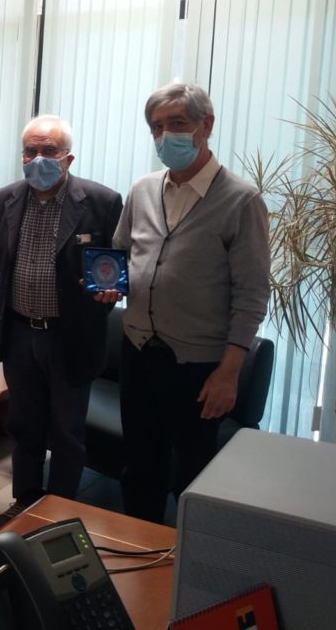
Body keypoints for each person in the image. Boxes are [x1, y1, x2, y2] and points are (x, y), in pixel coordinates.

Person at [98, 82, 270, 523]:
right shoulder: (142, 190)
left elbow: (251, 294)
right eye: (156, 127)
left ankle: (183, 557)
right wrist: (111, 284)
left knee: (192, 475)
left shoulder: (241, 200)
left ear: (205, 126)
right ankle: (139, 546)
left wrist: (228, 374)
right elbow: (121, 253)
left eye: (176, 123)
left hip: (198, 367)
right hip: (138, 353)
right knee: (139, 467)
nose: (165, 135)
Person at [0, 115, 123, 530]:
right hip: (19, 333)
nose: (38, 159)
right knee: (23, 426)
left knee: (67, 432)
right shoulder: (4, 199)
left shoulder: (102, 202)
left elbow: (114, 269)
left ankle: (59, 511)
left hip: (71, 337)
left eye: (49, 151)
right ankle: (24, 500)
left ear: (68, 157)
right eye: (30, 151)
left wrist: (109, 295)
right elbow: (4, 265)